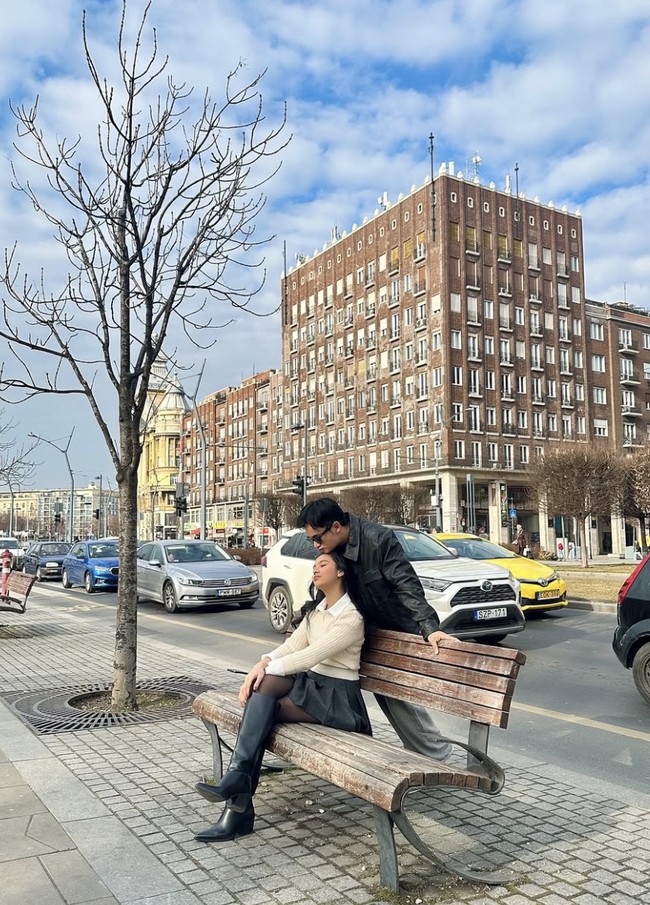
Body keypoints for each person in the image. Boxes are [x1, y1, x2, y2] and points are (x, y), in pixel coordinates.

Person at [194, 550, 370, 843]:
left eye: (323, 564)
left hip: (338, 700)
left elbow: (311, 655)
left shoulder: (352, 616)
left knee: (262, 700)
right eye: (314, 565)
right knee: (262, 704)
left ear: (341, 572)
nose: (315, 569)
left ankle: (237, 806)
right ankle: (237, 790)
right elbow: (291, 646)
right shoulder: (317, 610)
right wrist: (260, 664)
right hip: (315, 689)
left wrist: (263, 672)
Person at [296, 498, 453, 762]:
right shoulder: (331, 548)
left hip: (393, 629)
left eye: (317, 538)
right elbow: (325, 588)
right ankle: (424, 752)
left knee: (394, 694)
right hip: (361, 629)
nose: (315, 545)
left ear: (336, 526)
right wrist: (307, 616)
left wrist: (429, 627)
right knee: (329, 675)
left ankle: (434, 754)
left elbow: (406, 584)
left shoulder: (378, 539)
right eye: (311, 540)